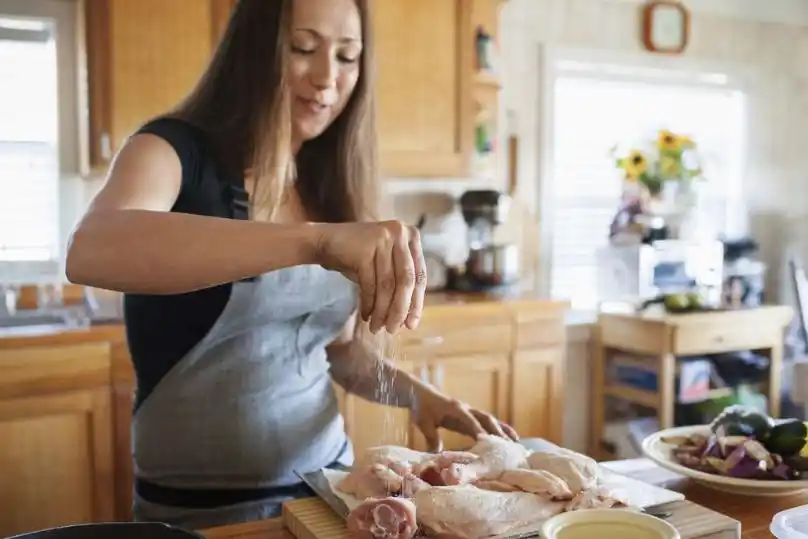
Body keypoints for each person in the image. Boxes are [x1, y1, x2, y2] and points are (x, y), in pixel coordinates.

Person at [66, 0, 518, 530]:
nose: (328, 77)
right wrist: (314, 242)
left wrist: (423, 398)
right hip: (198, 510)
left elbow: (340, 352)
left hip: (329, 490)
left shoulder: (331, 183)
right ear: (252, 52)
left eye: (348, 57)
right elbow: (92, 247)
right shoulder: (171, 150)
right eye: (302, 48)